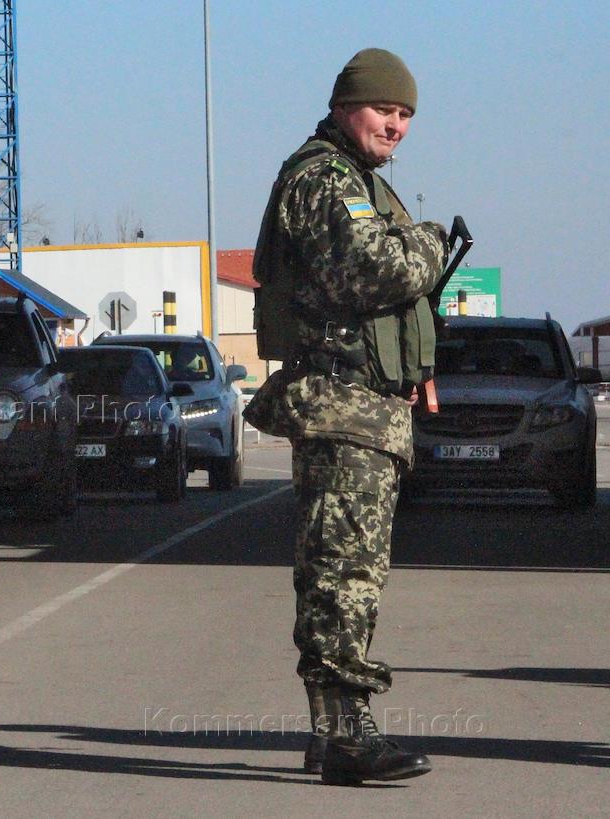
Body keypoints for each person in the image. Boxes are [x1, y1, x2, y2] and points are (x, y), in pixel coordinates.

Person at [243, 49, 448, 785]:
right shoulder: (324, 178)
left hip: (367, 407)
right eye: (383, 110)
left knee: (355, 572)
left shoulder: (360, 181)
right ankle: (345, 733)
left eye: (405, 115)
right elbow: (373, 269)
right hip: (341, 405)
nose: (395, 124)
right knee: (341, 573)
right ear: (343, 107)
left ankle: (337, 733)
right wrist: (426, 242)